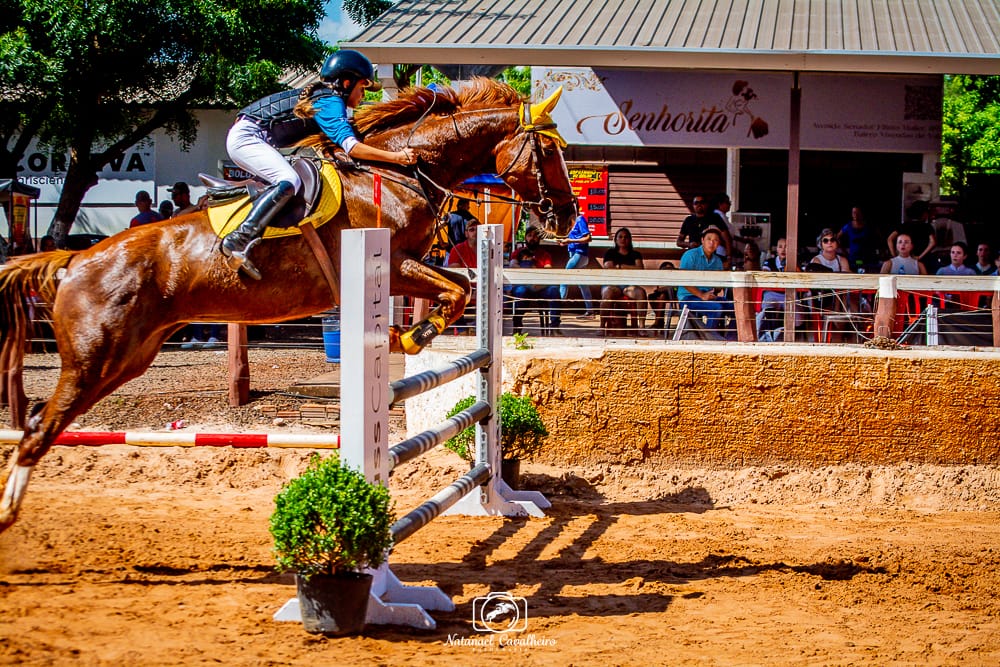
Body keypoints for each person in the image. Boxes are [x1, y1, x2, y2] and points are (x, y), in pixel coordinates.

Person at [221, 49, 416, 280]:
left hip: (253, 137)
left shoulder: (327, 99)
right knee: (289, 180)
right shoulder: (330, 101)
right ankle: (238, 239)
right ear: (346, 82)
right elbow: (351, 147)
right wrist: (397, 157)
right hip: (247, 137)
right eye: (362, 87)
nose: (363, 95)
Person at [509, 226, 561, 334]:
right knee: (520, 292)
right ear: (525, 238)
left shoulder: (545, 254)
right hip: (523, 285)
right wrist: (527, 271)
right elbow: (513, 266)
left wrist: (538, 278)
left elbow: (548, 269)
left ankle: (555, 326)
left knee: (554, 290)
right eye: (529, 236)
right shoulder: (518, 253)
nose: (532, 238)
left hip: (541, 287)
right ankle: (517, 326)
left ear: (539, 238)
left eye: (535, 236)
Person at [677, 227, 727, 332]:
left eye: (715, 240)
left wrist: (716, 289)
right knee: (716, 308)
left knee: (735, 306)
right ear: (702, 240)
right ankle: (708, 339)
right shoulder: (690, 255)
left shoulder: (718, 261)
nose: (712, 243)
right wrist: (701, 295)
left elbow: (719, 285)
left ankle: (731, 337)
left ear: (719, 244)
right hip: (688, 297)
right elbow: (683, 280)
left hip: (707, 296)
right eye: (709, 239)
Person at [600, 227, 647, 334]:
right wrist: (630, 267)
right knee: (607, 292)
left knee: (641, 293)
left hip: (629, 285)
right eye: (620, 237)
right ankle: (602, 327)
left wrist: (621, 266)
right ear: (615, 239)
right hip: (612, 284)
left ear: (630, 240)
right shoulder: (610, 253)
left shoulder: (636, 254)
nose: (623, 239)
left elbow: (640, 268)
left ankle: (641, 327)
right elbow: (609, 267)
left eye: (626, 237)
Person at [557, 210, 594, 317]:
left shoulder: (580, 219)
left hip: (580, 254)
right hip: (574, 254)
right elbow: (572, 239)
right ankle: (590, 310)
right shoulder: (570, 222)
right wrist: (564, 242)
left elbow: (588, 238)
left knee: (565, 277)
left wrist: (570, 241)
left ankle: (557, 307)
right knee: (582, 284)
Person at [677, 194, 732, 264]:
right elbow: (679, 242)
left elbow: (727, 239)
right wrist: (689, 244)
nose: (699, 205)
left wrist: (729, 257)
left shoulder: (715, 218)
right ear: (693, 205)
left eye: (702, 202)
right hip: (693, 257)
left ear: (706, 204)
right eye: (696, 203)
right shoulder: (689, 220)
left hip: (711, 258)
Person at [837, 206, 881, 272]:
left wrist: (879, 251)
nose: (855, 214)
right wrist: (844, 251)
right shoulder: (848, 226)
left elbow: (879, 238)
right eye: (853, 212)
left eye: (857, 212)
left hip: (869, 258)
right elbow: (838, 237)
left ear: (862, 213)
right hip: (854, 258)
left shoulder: (870, 226)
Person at [647, 261, 677, 331]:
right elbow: (658, 288)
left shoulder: (675, 277)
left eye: (669, 268)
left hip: (673, 294)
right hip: (662, 293)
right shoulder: (661, 278)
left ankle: (657, 321)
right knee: (651, 297)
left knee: (662, 296)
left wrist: (667, 288)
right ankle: (660, 319)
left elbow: (676, 288)